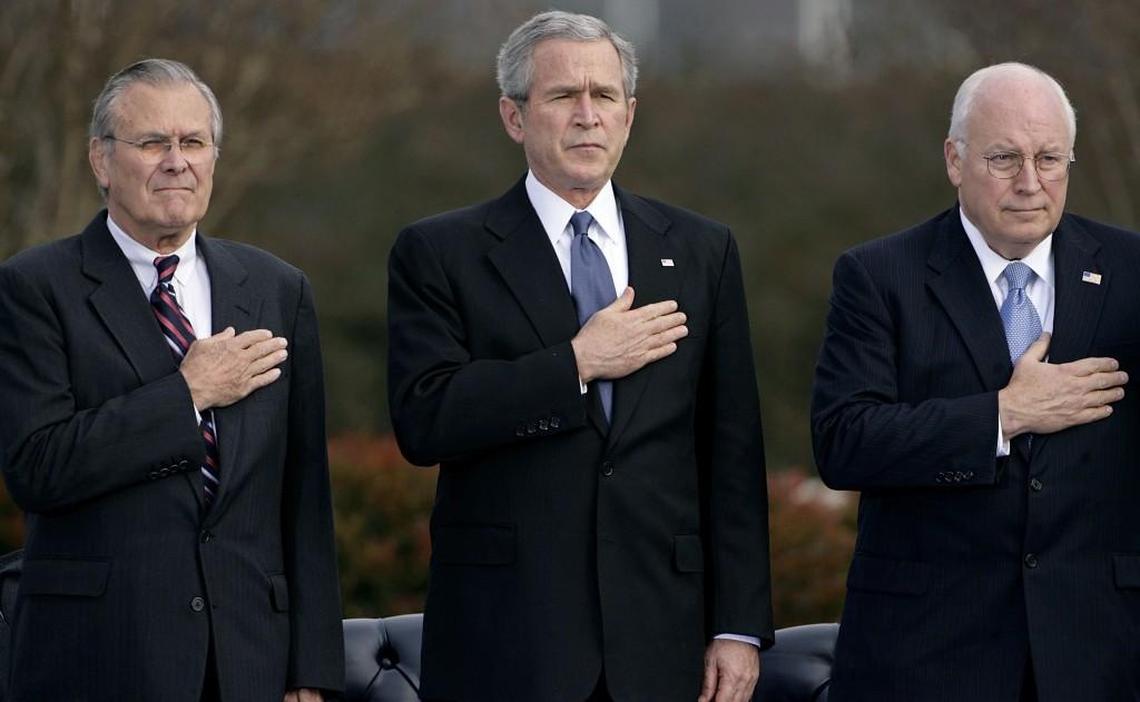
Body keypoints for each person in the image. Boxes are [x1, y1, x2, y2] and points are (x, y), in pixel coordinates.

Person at [387, 10, 772, 702]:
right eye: (564, 96)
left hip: (663, 638)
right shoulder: (441, 252)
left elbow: (732, 452)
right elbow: (426, 418)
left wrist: (739, 627)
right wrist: (575, 365)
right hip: (507, 640)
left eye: (606, 97)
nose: (587, 116)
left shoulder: (700, 250)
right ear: (514, 116)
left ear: (630, 115)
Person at [0, 59, 343, 702]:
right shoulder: (34, 288)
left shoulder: (276, 288)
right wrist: (185, 395)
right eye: (153, 142)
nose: (176, 161)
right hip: (100, 655)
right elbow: (35, 467)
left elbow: (305, 496)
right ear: (101, 161)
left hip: (249, 660)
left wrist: (311, 672)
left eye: (193, 143)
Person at [811, 62, 1139, 701]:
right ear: (954, 160)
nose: (1030, 183)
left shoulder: (1131, 272)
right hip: (926, 657)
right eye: (1003, 159)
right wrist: (1002, 416)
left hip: (1099, 655)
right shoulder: (878, 276)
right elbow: (843, 441)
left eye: (1049, 159)